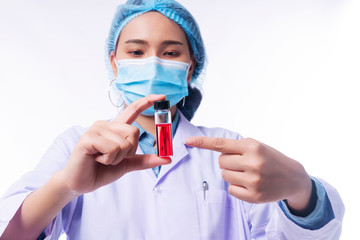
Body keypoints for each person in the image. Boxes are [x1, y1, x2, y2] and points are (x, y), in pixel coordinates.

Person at [0, 0, 344, 239]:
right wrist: (66, 186)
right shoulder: (75, 147)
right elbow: (12, 232)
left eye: (170, 52)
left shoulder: (230, 149)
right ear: (115, 63)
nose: (154, 63)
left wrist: (301, 189)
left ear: (190, 66)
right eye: (136, 52)